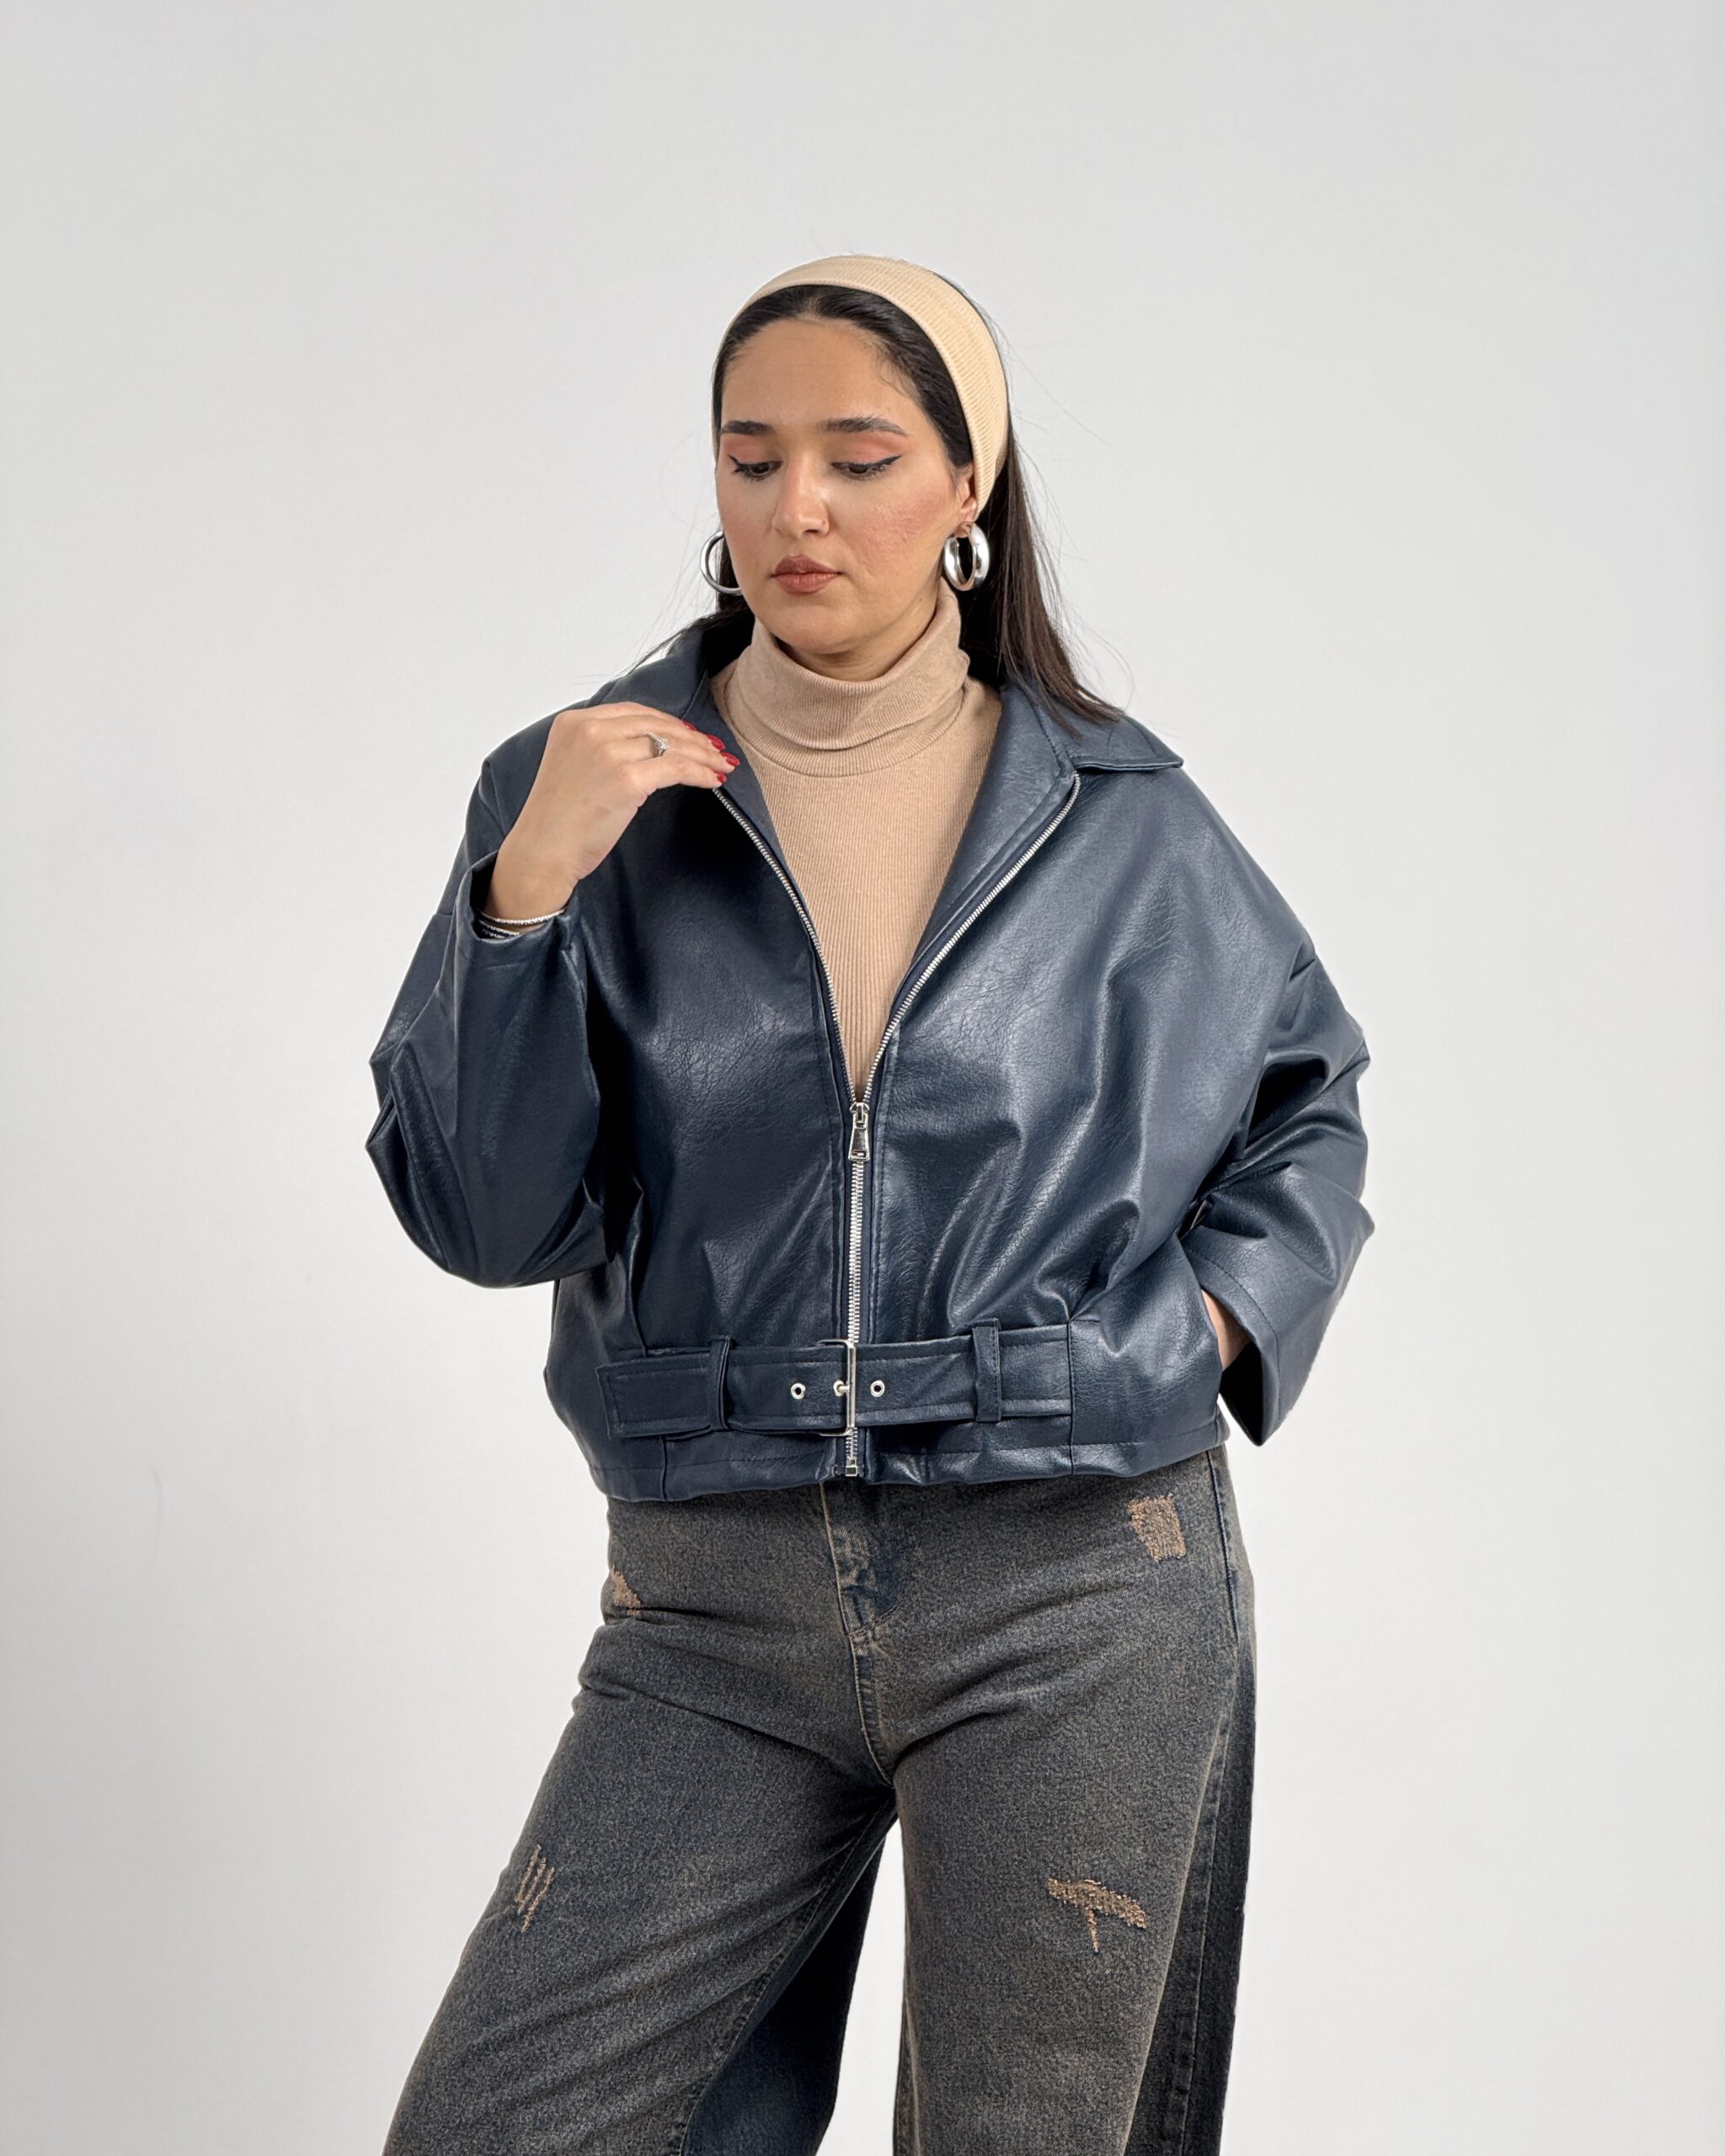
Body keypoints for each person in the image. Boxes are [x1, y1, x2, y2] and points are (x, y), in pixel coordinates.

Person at [364, 253, 1374, 2155]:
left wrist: (1199, 1328)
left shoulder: (1119, 813)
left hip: (1073, 1570)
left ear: (966, 488)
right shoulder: (577, 791)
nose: (796, 510)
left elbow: (1302, 1101)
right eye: (751, 459)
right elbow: (488, 1220)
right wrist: (525, 896)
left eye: (857, 456)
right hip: (713, 1598)